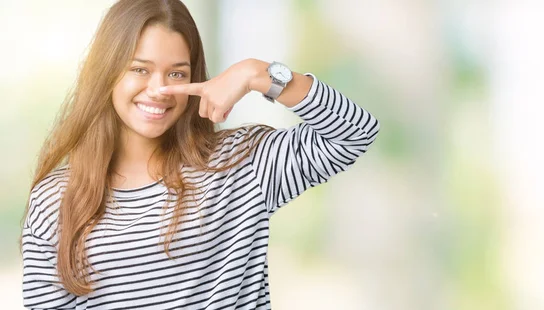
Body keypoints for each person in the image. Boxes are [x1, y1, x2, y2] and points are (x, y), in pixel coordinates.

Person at [20, 0, 380, 309]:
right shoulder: (56, 199)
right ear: (106, 72)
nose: (160, 90)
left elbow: (354, 131)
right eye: (140, 69)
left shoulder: (239, 164)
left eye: (177, 73)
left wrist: (256, 73)